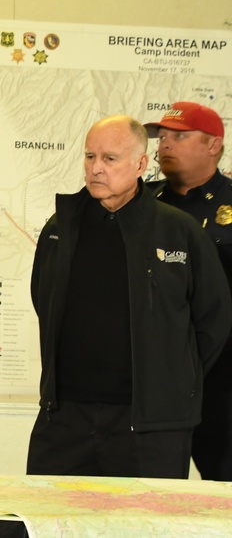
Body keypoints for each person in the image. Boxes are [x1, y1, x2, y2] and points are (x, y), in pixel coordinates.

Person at [28, 114, 231, 478]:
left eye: (110, 159)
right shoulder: (61, 227)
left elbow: (212, 319)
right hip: (65, 419)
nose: (96, 169)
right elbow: (43, 302)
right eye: (90, 157)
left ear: (140, 164)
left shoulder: (178, 230)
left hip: (151, 426)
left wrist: (173, 379)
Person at [144, 101, 232, 481]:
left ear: (214, 145)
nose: (165, 144)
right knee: (150, 490)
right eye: (162, 137)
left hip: (225, 378)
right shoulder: (141, 204)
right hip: (159, 375)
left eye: (179, 136)